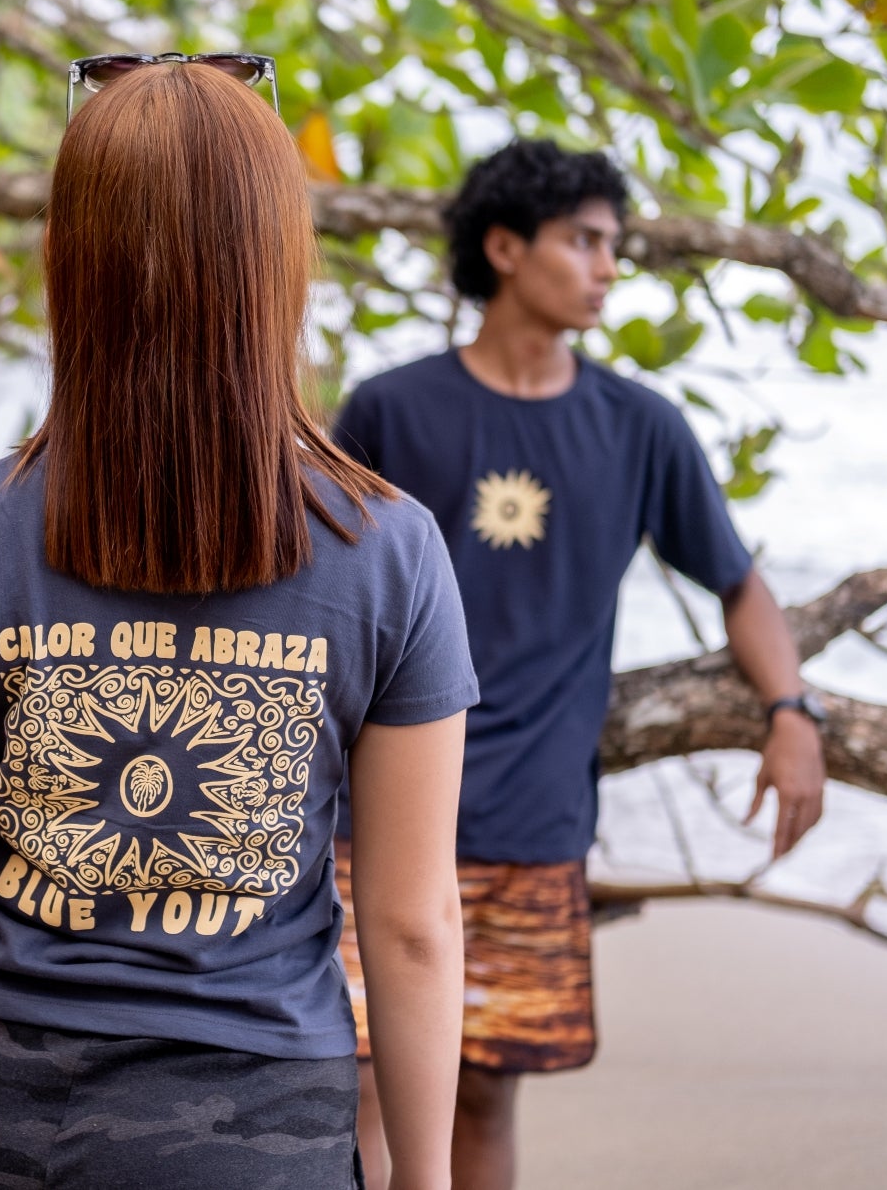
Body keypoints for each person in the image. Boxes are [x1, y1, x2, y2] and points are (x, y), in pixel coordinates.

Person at [0, 55, 479, 1190]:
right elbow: (411, 924)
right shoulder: (396, 550)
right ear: (278, 266)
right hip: (258, 1131)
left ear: (69, 263)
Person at [331, 138, 828, 1190]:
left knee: (482, 1089)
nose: (607, 266)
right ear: (504, 246)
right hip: (370, 812)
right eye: (584, 241)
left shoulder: (638, 427)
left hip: (533, 814)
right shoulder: (388, 408)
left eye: (614, 245)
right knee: (359, 1080)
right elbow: (318, 593)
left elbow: (735, 584)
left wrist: (791, 711)